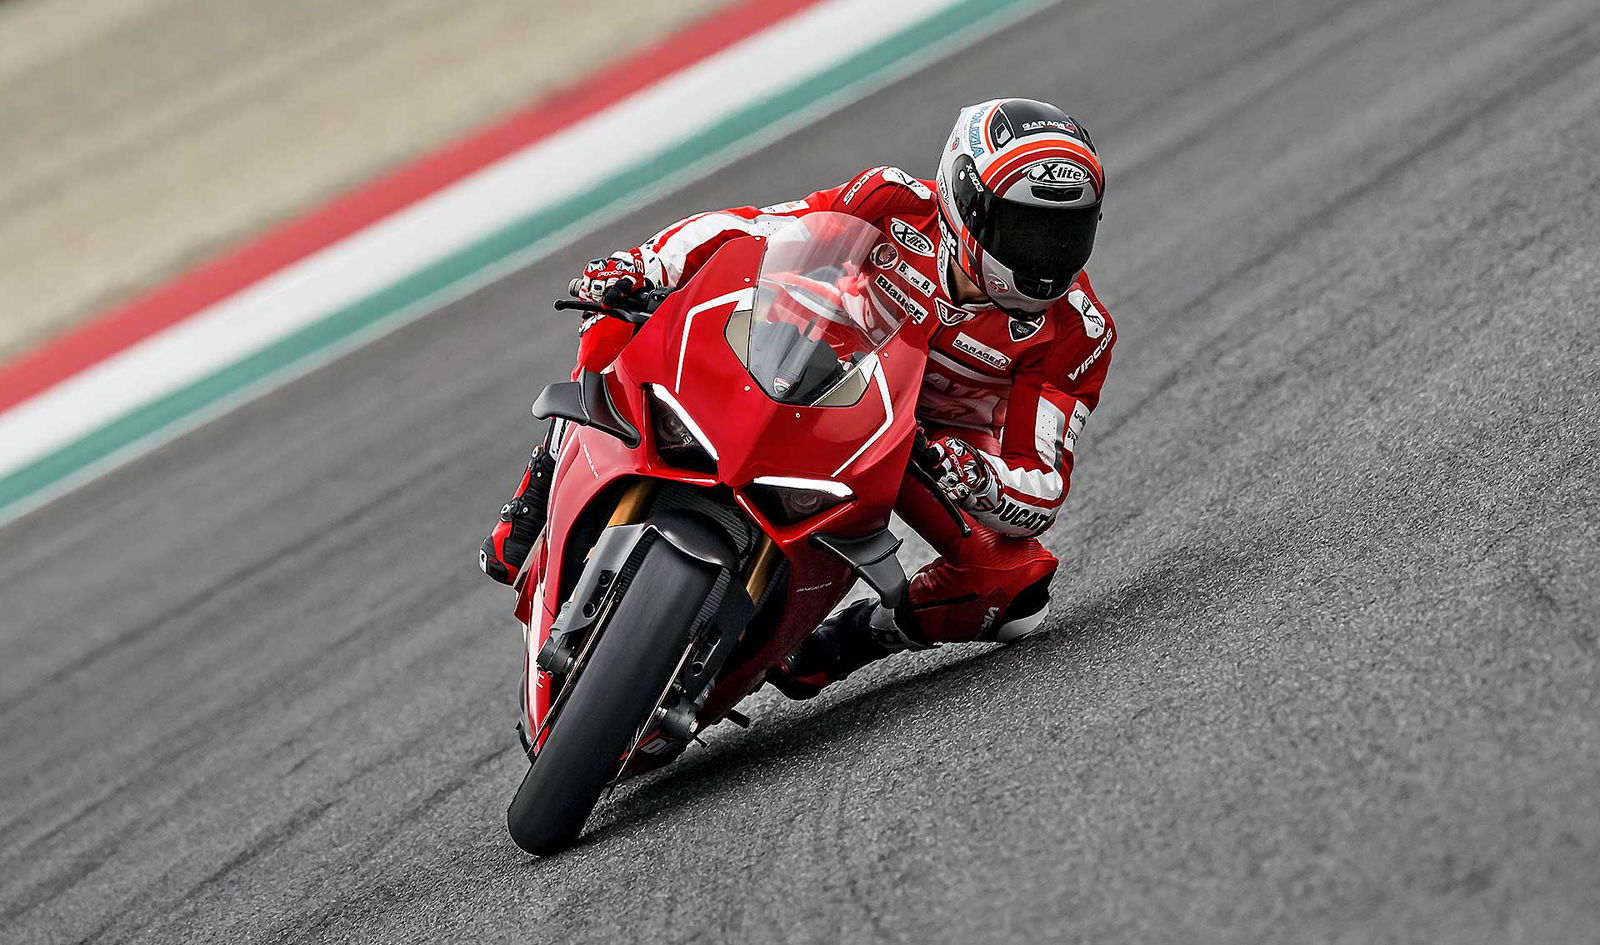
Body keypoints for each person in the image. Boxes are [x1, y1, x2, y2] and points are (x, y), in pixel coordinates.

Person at [481, 98, 1116, 698]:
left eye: (1067, 233)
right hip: (810, 360)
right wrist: (645, 265)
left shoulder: (1080, 332)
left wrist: (977, 479)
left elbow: (1041, 481)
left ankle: (853, 640)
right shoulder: (892, 201)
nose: (1049, 258)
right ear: (966, 203)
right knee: (619, 309)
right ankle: (541, 480)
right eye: (1029, 230)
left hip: (921, 451)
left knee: (1015, 592)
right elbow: (758, 228)